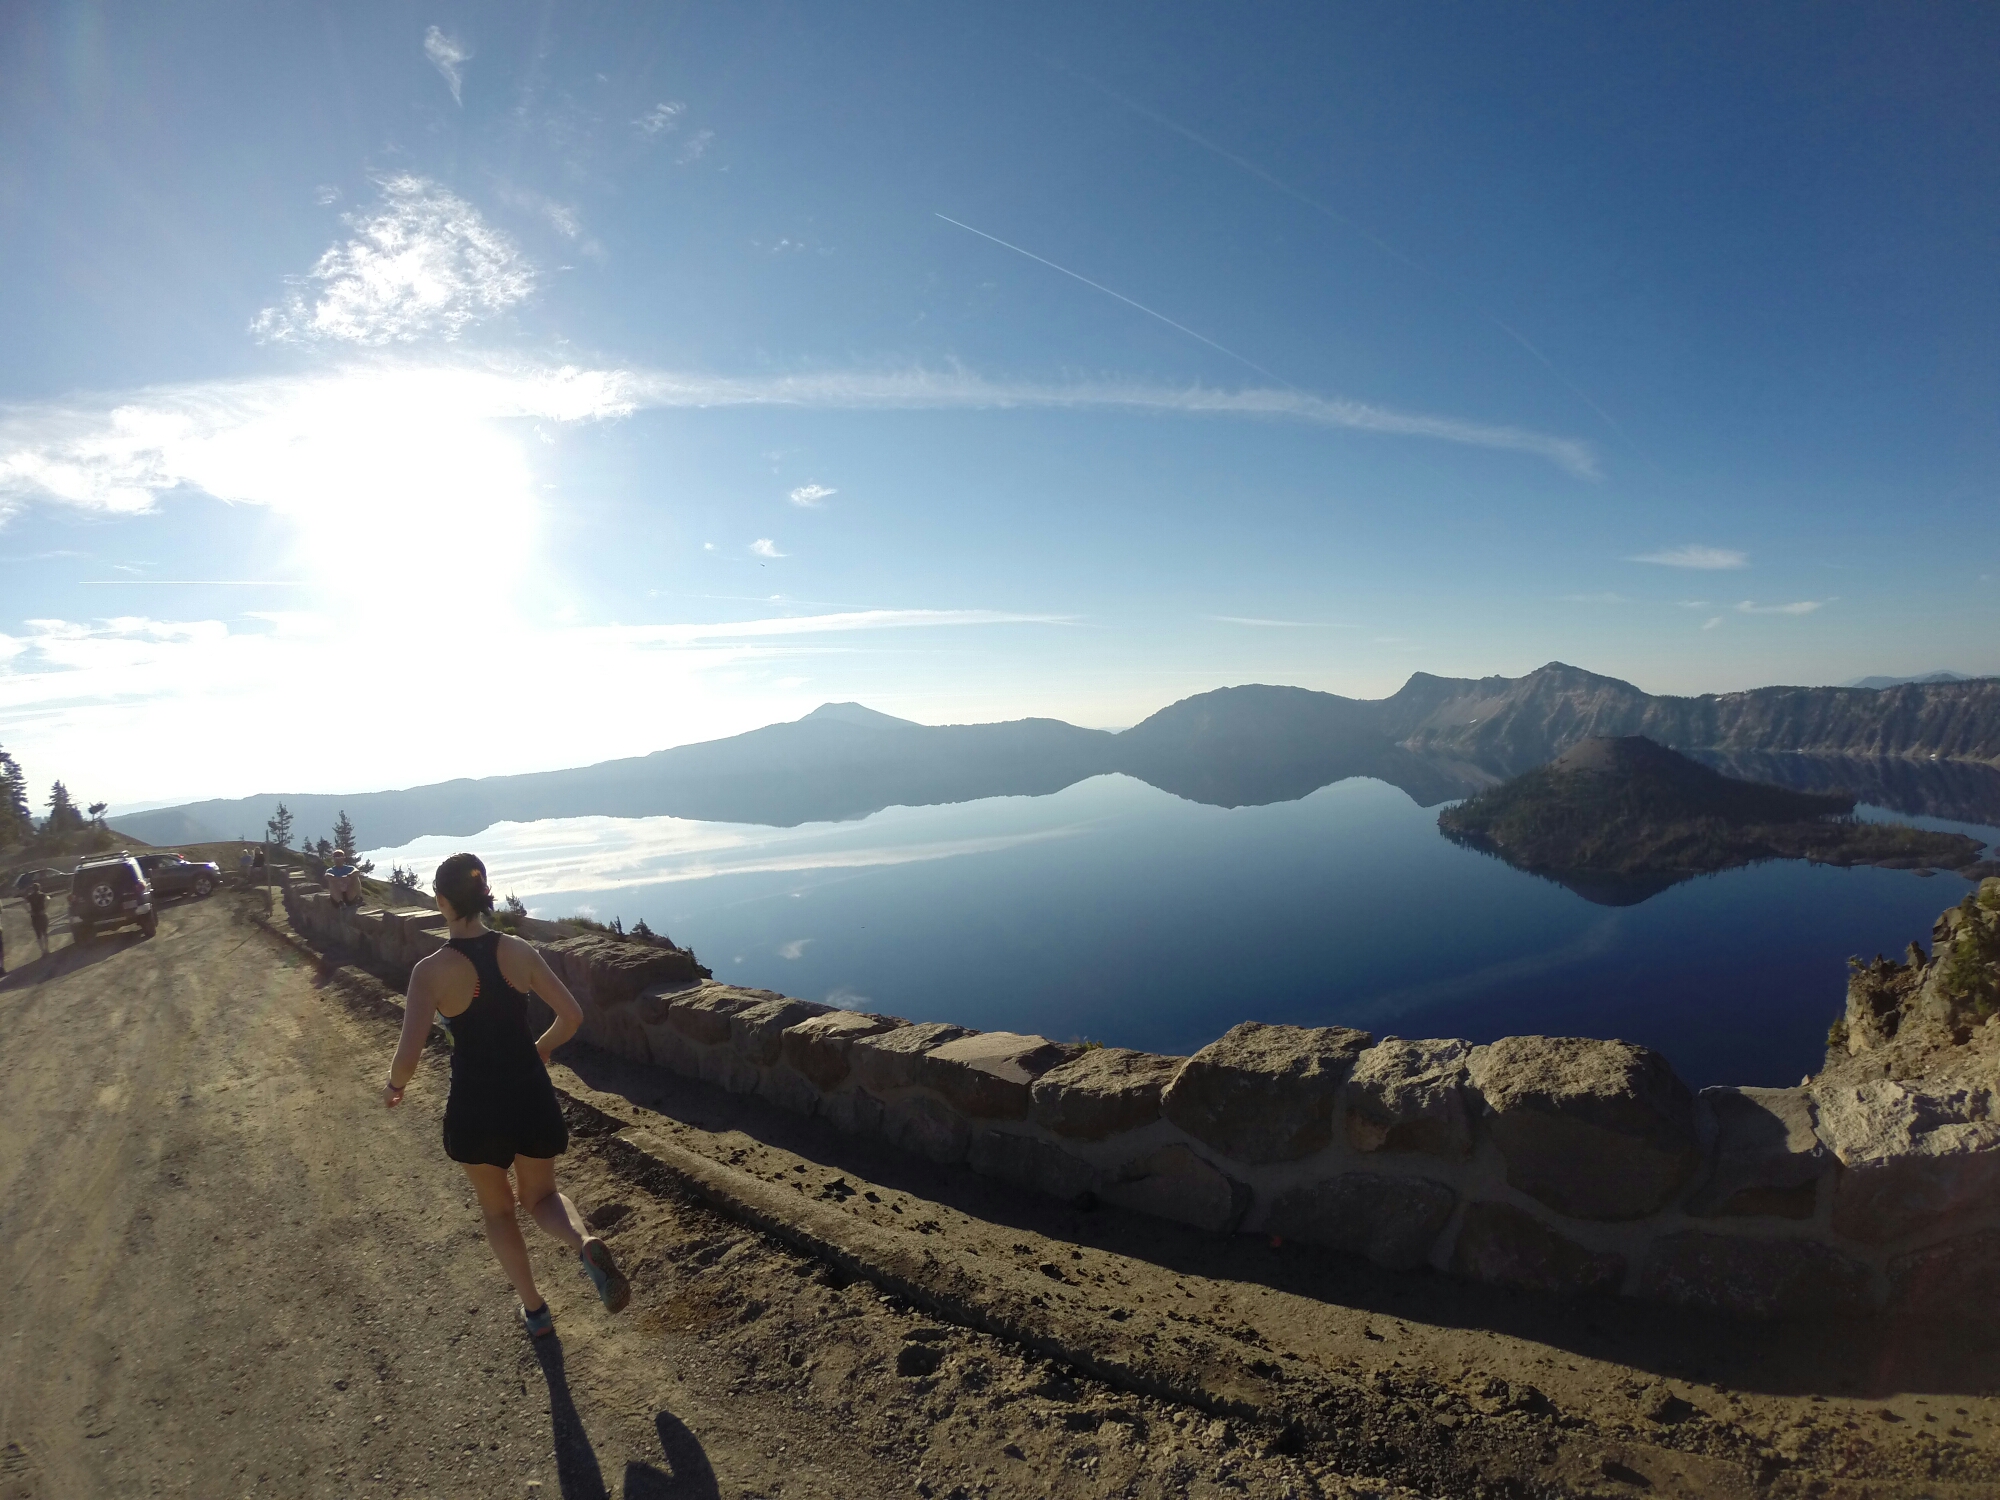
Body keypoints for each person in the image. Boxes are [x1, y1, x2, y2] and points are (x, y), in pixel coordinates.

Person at [383, 852, 629, 1338]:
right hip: (529, 1092)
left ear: (440, 901)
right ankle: (584, 1243)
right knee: (541, 1196)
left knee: (498, 1210)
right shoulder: (518, 952)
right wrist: (539, 1049)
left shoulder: (430, 972)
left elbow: (407, 1056)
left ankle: (535, 1310)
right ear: (484, 894)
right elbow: (572, 1016)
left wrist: (395, 1087)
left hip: (477, 1104)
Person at [26, 880, 48, 959]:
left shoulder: (30, 896)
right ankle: (46, 949)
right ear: (39, 888)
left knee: (38, 935)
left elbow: (23, 903)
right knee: (45, 933)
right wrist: (46, 908)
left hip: (35, 916)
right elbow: (48, 899)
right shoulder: (42, 895)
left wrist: (28, 911)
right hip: (42, 914)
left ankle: (42, 951)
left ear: (32, 889)